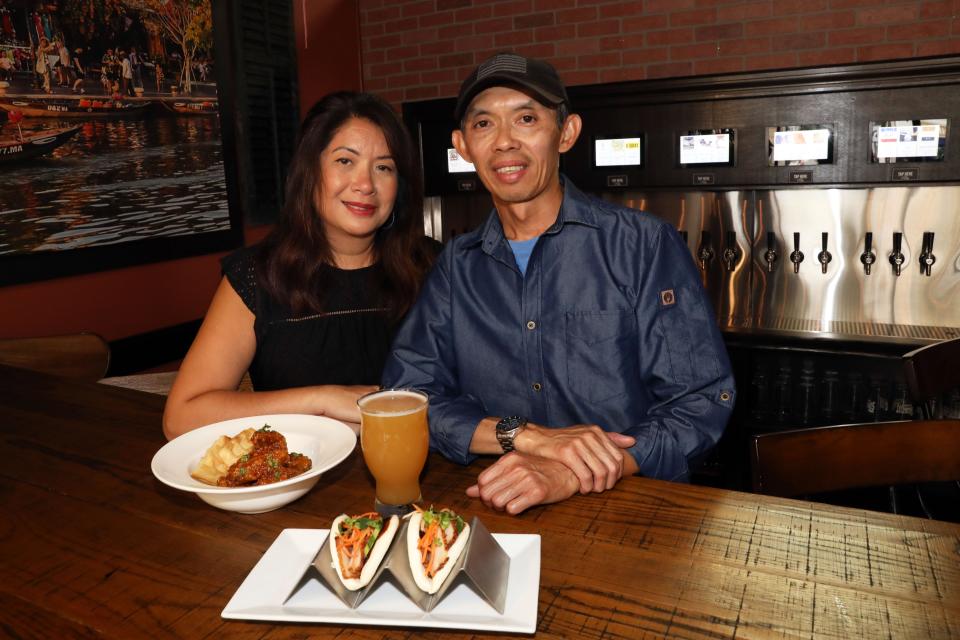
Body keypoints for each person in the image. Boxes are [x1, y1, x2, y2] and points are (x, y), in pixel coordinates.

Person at [382, 54, 736, 515]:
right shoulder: (456, 267)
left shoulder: (642, 245)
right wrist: (522, 436)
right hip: (495, 506)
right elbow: (409, 398)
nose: (505, 142)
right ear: (462, 145)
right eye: (484, 124)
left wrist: (573, 470)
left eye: (526, 118)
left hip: (629, 510)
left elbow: (700, 399)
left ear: (566, 133)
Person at [163, 91, 439, 439]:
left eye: (384, 167)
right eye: (344, 161)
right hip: (298, 480)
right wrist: (321, 400)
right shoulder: (258, 274)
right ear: (310, 173)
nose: (366, 184)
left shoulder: (435, 267)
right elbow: (181, 417)